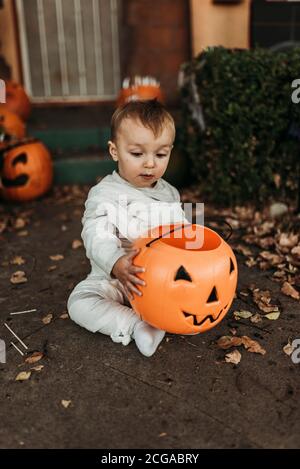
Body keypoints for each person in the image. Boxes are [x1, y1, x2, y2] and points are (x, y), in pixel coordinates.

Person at [67, 99, 189, 357]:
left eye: (160, 154)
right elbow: (95, 233)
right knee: (79, 302)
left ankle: (180, 316)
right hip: (115, 278)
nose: (149, 164)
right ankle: (137, 325)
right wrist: (115, 261)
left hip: (160, 281)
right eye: (137, 154)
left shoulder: (170, 193)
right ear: (114, 151)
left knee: (192, 289)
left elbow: (182, 235)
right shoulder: (105, 194)